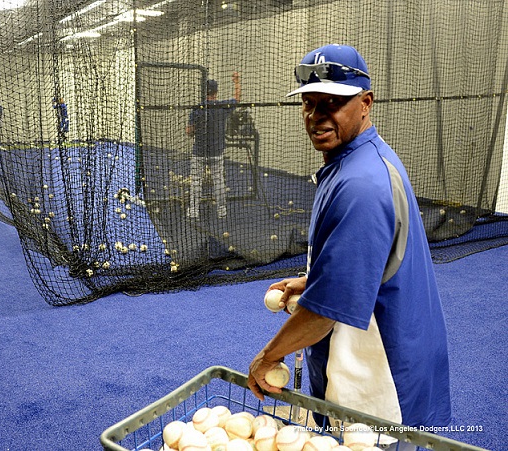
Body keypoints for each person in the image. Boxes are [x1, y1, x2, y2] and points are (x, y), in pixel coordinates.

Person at [247, 45, 451, 448]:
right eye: (309, 103)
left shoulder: (359, 183)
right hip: (388, 345)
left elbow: (324, 313)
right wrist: (314, 280)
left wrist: (267, 358)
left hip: (382, 373)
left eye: (333, 102)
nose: (316, 116)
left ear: (365, 103)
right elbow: (367, 263)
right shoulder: (355, 160)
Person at [186, 72, 241, 219]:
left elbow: (188, 131)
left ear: (204, 92)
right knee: (218, 180)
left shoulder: (198, 109)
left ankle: (193, 211)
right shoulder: (222, 106)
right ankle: (221, 210)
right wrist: (236, 81)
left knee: (196, 180)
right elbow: (237, 99)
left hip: (199, 152)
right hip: (217, 152)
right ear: (216, 92)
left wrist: (195, 129)